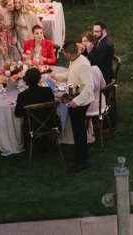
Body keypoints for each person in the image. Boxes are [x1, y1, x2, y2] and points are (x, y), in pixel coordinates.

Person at [55, 41, 94, 172]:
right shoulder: (74, 60)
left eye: (65, 54)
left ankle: (82, 160)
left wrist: (77, 101)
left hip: (81, 102)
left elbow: (89, 86)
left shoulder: (83, 65)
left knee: (79, 130)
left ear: (69, 54)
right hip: (74, 97)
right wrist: (55, 77)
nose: (64, 55)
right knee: (77, 129)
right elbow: (70, 74)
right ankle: (80, 154)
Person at [14, 67, 56, 140]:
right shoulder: (48, 91)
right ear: (39, 79)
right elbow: (52, 107)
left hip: (31, 126)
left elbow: (17, 114)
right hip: (48, 123)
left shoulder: (22, 95)